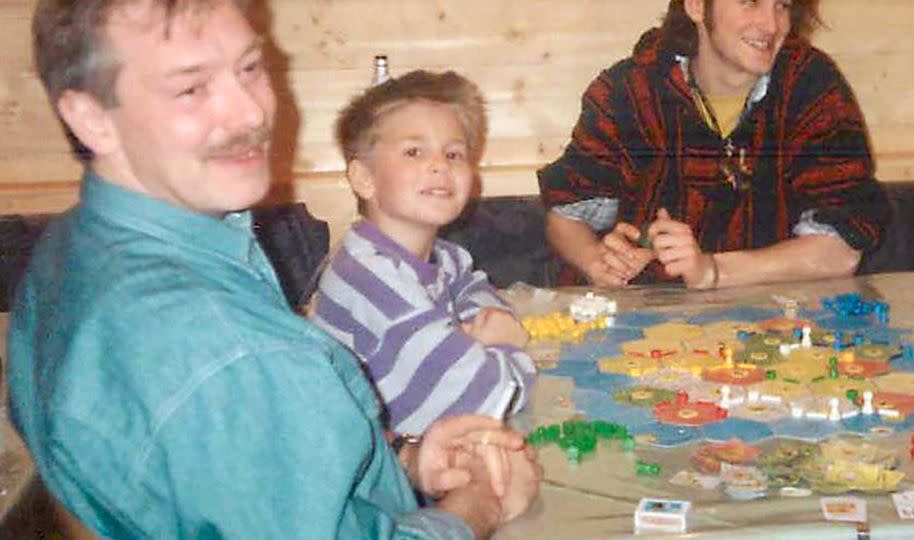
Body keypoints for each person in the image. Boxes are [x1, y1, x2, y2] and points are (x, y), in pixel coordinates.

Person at [7, 1, 539, 538]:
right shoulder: (235, 352)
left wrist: (404, 460)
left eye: (250, 69)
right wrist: (478, 506)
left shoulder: (71, 246)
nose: (252, 114)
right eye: (192, 87)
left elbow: (236, 478)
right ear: (91, 118)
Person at [538, 0, 890, 289]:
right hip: (640, 327)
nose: (771, 24)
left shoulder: (810, 87)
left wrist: (713, 271)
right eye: (749, 3)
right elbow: (566, 214)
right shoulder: (628, 91)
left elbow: (842, 249)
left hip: (773, 325)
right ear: (695, 6)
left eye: (782, 5)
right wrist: (597, 261)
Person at [309, 70, 537, 436]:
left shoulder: (443, 257)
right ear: (364, 178)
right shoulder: (370, 279)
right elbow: (489, 397)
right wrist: (507, 345)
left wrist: (473, 339)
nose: (439, 165)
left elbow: (479, 295)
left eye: (454, 153)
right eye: (414, 151)